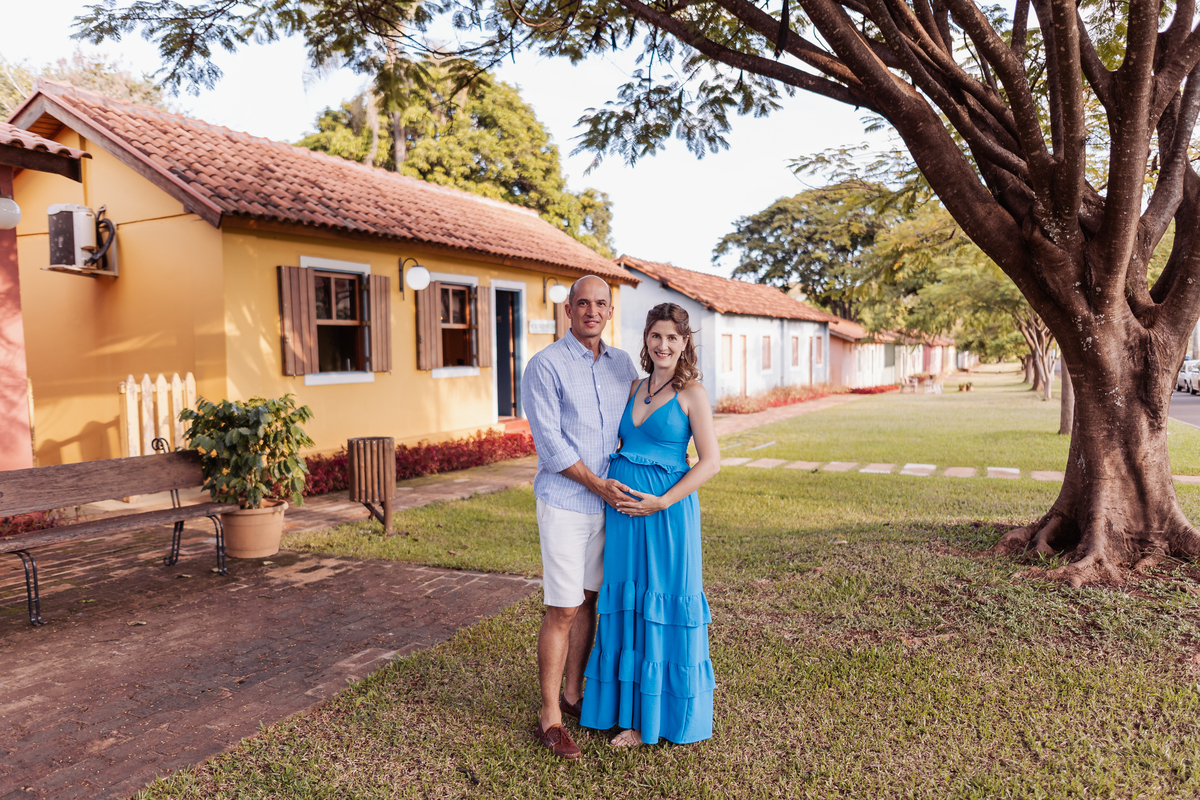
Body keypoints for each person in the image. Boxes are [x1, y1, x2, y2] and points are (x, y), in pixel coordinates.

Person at [579, 302, 720, 747]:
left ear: (684, 344)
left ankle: (652, 720)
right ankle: (624, 710)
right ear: (646, 338)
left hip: (666, 517)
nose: (663, 345)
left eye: (672, 338)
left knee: (661, 605)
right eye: (656, 336)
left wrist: (661, 501)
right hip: (623, 518)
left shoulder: (692, 393)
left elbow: (711, 462)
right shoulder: (634, 387)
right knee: (627, 606)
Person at [521, 274, 640, 760]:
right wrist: (598, 485)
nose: (592, 311)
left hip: (611, 506)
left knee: (590, 600)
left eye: (601, 304)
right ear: (568, 310)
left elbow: (639, 424)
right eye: (583, 303)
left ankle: (573, 696)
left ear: (610, 312)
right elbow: (551, 445)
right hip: (567, 502)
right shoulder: (544, 366)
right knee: (563, 607)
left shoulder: (624, 364)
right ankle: (549, 718)